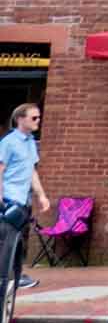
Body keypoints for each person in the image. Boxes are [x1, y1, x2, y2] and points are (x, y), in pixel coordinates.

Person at [0, 103, 50, 292]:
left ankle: (16, 276)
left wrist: (42, 196)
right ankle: (6, 281)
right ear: (20, 119)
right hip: (9, 201)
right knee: (6, 246)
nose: (38, 121)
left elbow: (32, 173)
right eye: (34, 118)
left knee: (17, 244)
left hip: (23, 202)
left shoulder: (30, 142)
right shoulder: (9, 142)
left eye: (39, 117)